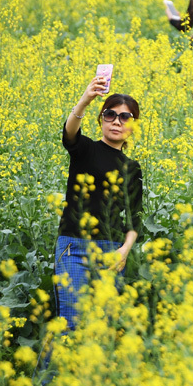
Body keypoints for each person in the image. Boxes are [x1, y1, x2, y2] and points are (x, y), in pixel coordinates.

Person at [54, 75, 143, 332]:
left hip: (111, 250)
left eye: (125, 117)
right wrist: (86, 99)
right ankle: (51, 374)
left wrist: (123, 252)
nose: (116, 121)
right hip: (74, 248)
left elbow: (134, 218)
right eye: (110, 115)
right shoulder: (85, 150)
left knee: (103, 328)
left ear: (133, 125)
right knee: (71, 322)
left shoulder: (132, 168)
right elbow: (70, 133)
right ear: (101, 119)